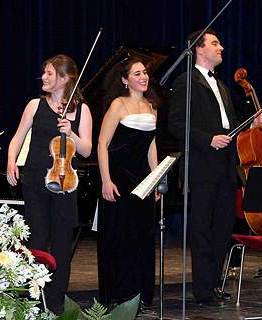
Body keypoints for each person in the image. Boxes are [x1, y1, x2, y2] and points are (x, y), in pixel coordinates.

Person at [168, 29, 262, 307]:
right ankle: (202, 291)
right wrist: (207, 139)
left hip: (227, 168)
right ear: (198, 50)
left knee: (223, 229)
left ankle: (211, 284)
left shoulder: (222, 86)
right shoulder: (185, 81)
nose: (221, 47)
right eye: (214, 43)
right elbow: (175, 124)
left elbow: (232, 125)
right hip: (202, 167)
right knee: (201, 229)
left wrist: (252, 123)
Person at [6, 54, 92, 314]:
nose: (43, 77)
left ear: (64, 79)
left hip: (65, 183)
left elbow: (87, 150)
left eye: (49, 73)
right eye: (44, 72)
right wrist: (11, 161)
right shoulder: (35, 105)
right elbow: (17, 138)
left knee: (63, 243)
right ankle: (34, 299)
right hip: (34, 180)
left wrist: (71, 133)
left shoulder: (82, 110)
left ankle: (56, 302)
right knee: (36, 240)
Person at [96, 56, 160, 309]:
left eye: (144, 72)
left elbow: (151, 145)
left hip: (143, 180)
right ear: (125, 80)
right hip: (119, 178)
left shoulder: (152, 106)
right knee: (120, 237)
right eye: (136, 73)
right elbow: (102, 144)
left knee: (142, 238)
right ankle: (118, 295)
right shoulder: (118, 105)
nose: (143, 77)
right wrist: (106, 180)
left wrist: (156, 179)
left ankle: (139, 295)